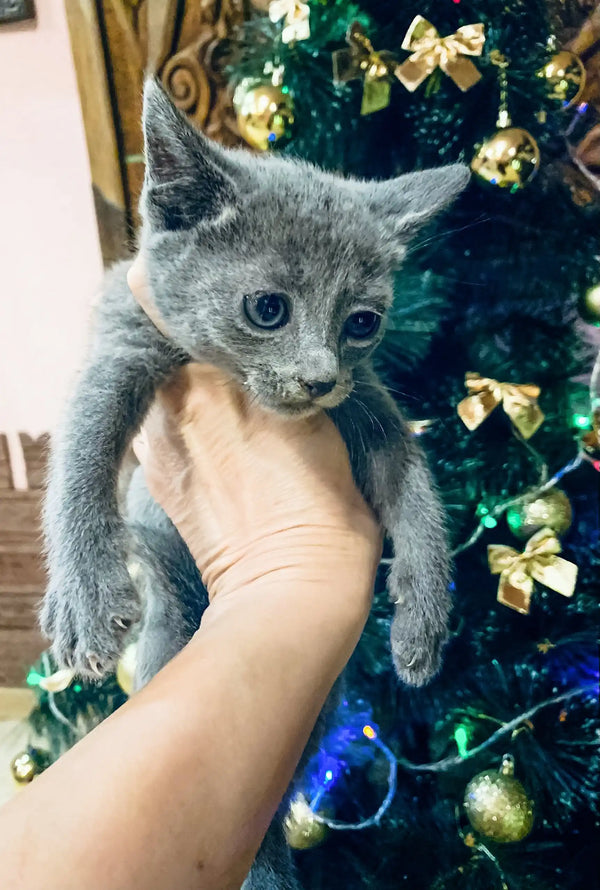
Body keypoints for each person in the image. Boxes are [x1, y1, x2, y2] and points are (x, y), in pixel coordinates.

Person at [0, 259, 382, 890]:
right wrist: (81, 557)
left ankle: (265, 852)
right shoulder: (158, 279)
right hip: (183, 547)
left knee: (294, 719)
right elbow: (100, 399)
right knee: (171, 646)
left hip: (283, 556)